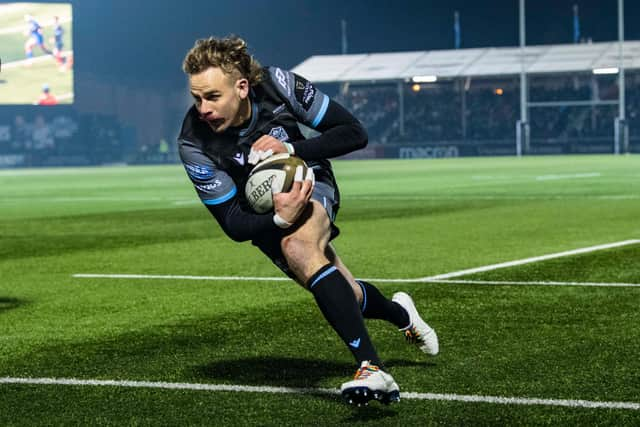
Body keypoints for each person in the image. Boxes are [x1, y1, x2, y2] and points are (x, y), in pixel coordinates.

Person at [178, 36, 438, 406]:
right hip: (263, 216)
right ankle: (401, 314)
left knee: (298, 245)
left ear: (242, 86)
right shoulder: (193, 143)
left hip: (310, 179)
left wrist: (291, 149)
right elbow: (233, 223)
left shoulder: (278, 85)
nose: (203, 108)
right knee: (342, 292)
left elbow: (353, 133)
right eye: (196, 98)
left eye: (212, 97)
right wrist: (279, 219)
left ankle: (371, 369)